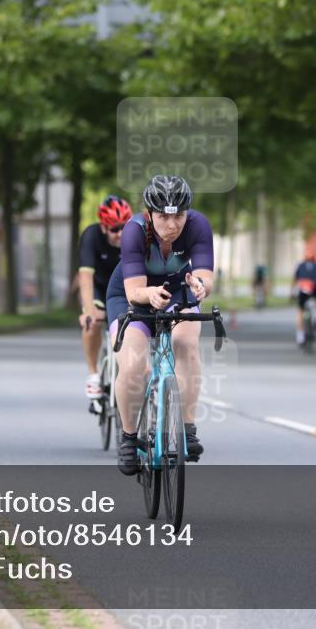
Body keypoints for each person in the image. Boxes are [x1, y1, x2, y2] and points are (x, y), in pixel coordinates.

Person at [106, 175, 214, 476]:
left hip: (178, 290)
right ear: (149, 214)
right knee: (134, 366)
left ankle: (187, 428)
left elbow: (206, 275)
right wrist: (148, 295)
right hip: (131, 296)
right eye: (164, 216)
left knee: (188, 346)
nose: (172, 224)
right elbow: (133, 292)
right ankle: (128, 437)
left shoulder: (198, 226)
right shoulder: (134, 231)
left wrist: (201, 285)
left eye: (178, 215)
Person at [77, 195, 132, 403]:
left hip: (126, 288)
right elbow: (85, 277)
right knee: (91, 323)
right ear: (103, 227)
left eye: (123, 228)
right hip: (100, 287)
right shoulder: (91, 236)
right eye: (114, 229)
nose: (120, 234)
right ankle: (93, 374)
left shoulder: (136, 234)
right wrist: (90, 311)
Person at [292, 251, 316, 345]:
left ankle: (300, 336)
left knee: (300, 311)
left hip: (303, 288)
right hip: (314, 287)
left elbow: (295, 279)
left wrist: (292, 292)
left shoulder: (299, 265)